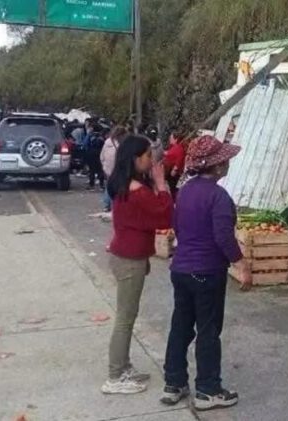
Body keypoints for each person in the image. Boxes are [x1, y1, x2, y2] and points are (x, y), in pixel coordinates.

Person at [161, 135, 252, 410]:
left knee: (181, 326)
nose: (227, 164)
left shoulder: (186, 191)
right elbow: (223, 236)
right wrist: (241, 264)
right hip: (206, 272)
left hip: (181, 270)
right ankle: (208, 389)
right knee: (209, 330)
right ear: (218, 166)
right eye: (225, 160)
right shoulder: (219, 196)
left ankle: (173, 383)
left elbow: (177, 225)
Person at [103, 135, 174, 394]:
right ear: (135, 159)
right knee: (125, 318)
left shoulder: (124, 184)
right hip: (128, 259)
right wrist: (161, 183)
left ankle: (123, 366)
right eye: (147, 156)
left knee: (127, 316)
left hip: (128, 255)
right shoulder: (137, 192)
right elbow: (165, 214)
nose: (151, 160)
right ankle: (114, 375)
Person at [100, 126, 128, 212]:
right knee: (116, 188)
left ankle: (106, 204)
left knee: (109, 185)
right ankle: (114, 206)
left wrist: (104, 165)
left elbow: (102, 156)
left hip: (107, 168)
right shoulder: (122, 144)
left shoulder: (107, 142)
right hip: (117, 169)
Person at [163, 130, 189, 198]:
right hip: (169, 170)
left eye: (171, 138)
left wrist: (175, 169)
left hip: (173, 172)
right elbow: (168, 153)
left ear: (176, 139)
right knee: (170, 186)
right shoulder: (173, 147)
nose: (169, 140)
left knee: (172, 187)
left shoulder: (178, 148)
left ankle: (173, 199)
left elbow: (179, 160)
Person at [86, 123, 108, 190]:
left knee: (91, 169)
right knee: (100, 169)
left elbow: (85, 143)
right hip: (100, 153)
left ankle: (91, 184)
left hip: (91, 153)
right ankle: (101, 184)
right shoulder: (102, 136)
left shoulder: (90, 135)